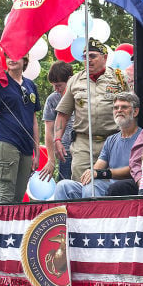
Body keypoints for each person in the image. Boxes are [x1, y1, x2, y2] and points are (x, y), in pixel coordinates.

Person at [54, 38, 129, 181]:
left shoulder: (119, 78)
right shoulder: (75, 81)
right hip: (84, 144)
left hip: (113, 141)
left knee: (114, 186)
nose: (88, 60)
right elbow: (63, 114)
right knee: (81, 185)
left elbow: (132, 109)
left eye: (93, 56)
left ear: (105, 57)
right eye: (85, 57)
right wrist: (57, 139)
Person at [0, 56, 40, 203]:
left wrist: (37, 153)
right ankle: (0, 226)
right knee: (6, 194)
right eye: (9, 55)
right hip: (7, 142)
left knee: (18, 197)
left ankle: (14, 226)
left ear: (25, 60)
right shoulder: (0, 83)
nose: (12, 59)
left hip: (27, 147)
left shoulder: (31, 86)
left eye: (16, 56)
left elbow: (34, 121)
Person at [54, 92, 142, 200]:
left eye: (124, 107)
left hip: (126, 188)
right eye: (115, 108)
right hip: (106, 186)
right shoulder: (111, 140)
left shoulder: (142, 137)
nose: (119, 110)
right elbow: (99, 166)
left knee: (93, 186)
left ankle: (90, 216)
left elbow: (135, 169)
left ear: (135, 112)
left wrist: (102, 173)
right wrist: (91, 173)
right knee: (63, 186)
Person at [41, 61, 74, 181]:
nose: (56, 89)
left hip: (82, 148)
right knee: (64, 184)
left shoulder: (80, 94)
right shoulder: (53, 99)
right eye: (53, 85)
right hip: (64, 152)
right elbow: (49, 131)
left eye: (59, 85)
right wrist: (51, 159)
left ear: (70, 80)